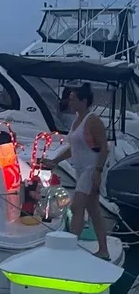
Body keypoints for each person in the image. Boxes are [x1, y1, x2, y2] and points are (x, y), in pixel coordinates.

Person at [43, 82, 110, 259]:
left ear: (84, 100)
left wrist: (98, 171)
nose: (70, 103)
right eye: (70, 99)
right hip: (80, 169)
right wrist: (55, 160)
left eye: (73, 99)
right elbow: (73, 147)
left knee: (76, 206)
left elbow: (104, 147)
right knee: (94, 210)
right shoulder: (77, 120)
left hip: (91, 168)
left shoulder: (92, 121)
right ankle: (104, 250)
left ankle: (70, 247)